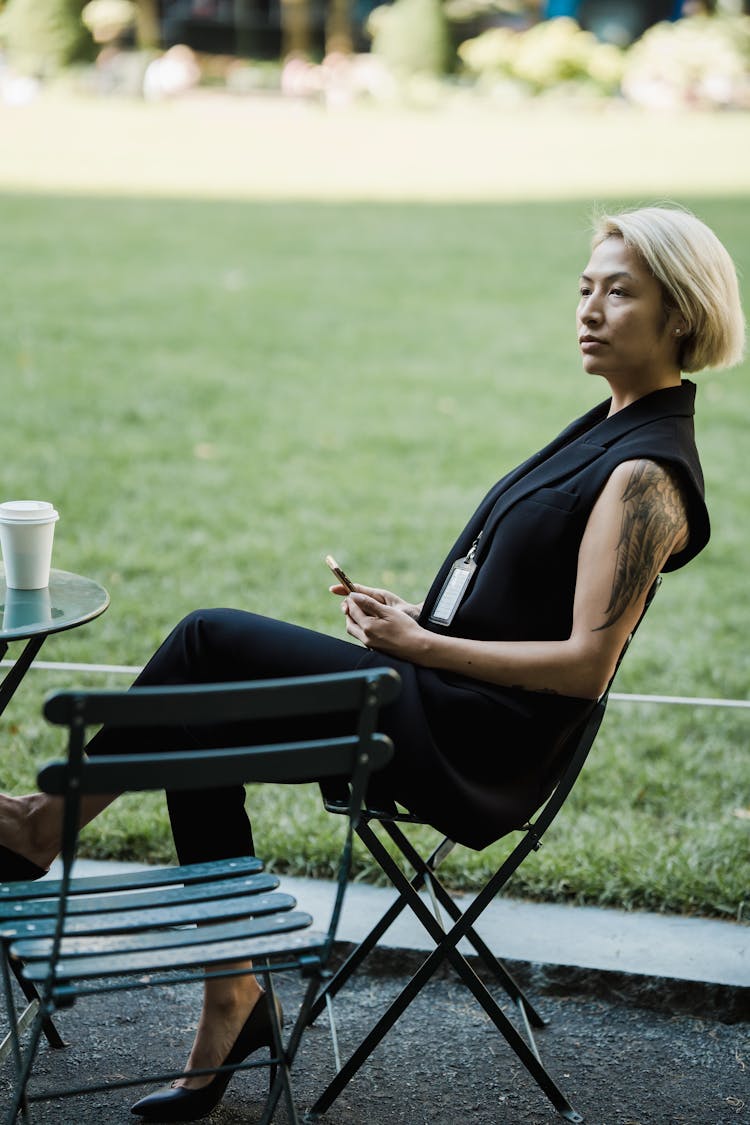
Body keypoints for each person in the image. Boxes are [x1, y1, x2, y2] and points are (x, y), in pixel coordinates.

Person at [0, 204, 744, 1122]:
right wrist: (418, 615)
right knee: (198, 715)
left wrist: (423, 646)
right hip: (435, 694)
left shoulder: (648, 473)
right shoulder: (608, 424)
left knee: (209, 640)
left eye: (619, 292)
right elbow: (523, 601)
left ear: (681, 312)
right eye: (584, 287)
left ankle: (43, 828)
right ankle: (232, 994)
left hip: (473, 741)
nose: (589, 309)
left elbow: (587, 664)